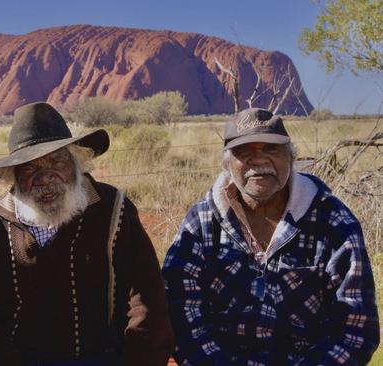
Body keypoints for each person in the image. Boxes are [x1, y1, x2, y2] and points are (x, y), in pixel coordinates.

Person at [0, 102, 174, 366]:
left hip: (101, 360)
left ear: (77, 162)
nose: (45, 178)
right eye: (29, 168)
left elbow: (147, 302)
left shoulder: (113, 208)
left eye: (57, 161)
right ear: (14, 176)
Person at [162, 108, 380, 365]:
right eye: (245, 152)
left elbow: (355, 328)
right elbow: (181, 315)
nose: (259, 160)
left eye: (271, 149)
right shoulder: (201, 223)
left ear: (291, 157)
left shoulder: (333, 221)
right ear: (227, 163)